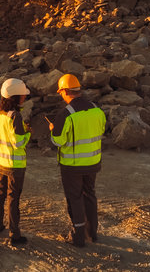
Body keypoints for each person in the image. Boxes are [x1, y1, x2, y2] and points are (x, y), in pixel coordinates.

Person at [48, 73, 106, 247]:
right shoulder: (97, 109)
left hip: (72, 166)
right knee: (90, 195)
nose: (61, 96)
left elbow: (57, 141)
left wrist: (53, 129)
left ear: (65, 91)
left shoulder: (66, 114)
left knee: (75, 198)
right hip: (93, 162)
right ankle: (92, 233)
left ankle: (78, 237)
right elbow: (101, 130)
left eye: (61, 93)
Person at [0, 78, 32, 246]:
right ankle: (15, 234)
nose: (25, 98)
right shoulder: (15, 116)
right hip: (15, 165)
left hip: (1, 162)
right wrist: (28, 132)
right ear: (15, 97)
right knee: (13, 198)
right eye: (23, 95)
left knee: (0, 194)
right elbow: (19, 142)